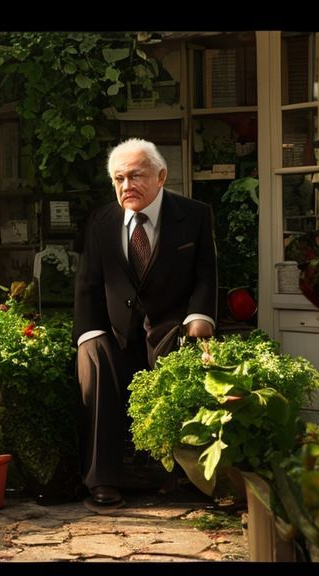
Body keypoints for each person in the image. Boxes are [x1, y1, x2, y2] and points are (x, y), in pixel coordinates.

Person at [74, 138, 218, 506]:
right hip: (114, 330)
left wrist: (200, 316)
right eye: (119, 179)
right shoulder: (101, 221)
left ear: (161, 176)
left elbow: (206, 273)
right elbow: (88, 282)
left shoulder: (195, 215)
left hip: (171, 326)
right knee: (93, 355)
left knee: (185, 354)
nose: (126, 187)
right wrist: (88, 333)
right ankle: (101, 479)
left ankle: (183, 475)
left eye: (136, 176)